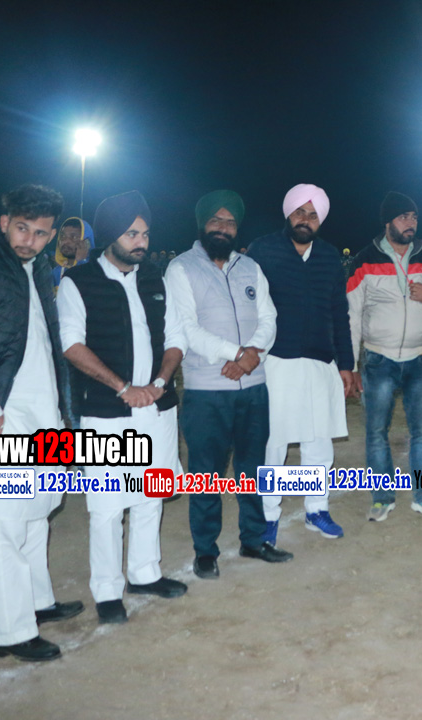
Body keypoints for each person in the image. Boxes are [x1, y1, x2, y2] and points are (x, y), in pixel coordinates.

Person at [0, 185, 83, 662]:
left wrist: (61, 417)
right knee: (5, 524)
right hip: (0, 417)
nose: (28, 240)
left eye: (39, 233)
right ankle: (11, 632)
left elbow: (44, 350)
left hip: (42, 416)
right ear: (4, 223)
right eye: (21, 228)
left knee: (37, 512)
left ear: (51, 235)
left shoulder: (38, 271)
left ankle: (37, 602)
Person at [59, 191, 188, 624]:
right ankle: (107, 590)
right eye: (132, 233)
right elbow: (72, 344)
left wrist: (158, 384)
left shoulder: (155, 279)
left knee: (153, 495)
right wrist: (123, 388)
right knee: (108, 506)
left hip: (158, 407)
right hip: (106, 413)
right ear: (110, 234)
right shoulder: (79, 282)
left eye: (145, 234)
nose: (141, 242)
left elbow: (175, 338)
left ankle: (144, 573)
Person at [166, 190, 293, 579]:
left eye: (230, 222)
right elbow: (186, 328)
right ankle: (206, 550)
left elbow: (269, 318)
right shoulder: (181, 268)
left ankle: (253, 540)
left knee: (252, 468)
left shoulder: (250, 267)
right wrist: (237, 353)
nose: (223, 228)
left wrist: (252, 355)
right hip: (207, 390)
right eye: (216, 221)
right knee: (206, 472)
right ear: (202, 225)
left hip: (253, 387)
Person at [248, 184, 354, 542]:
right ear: (288, 214)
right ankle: (268, 516)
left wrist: (346, 364)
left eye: (313, 215)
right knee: (273, 443)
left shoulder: (328, 256)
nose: (305, 220)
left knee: (318, 441)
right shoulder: (263, 250)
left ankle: (316, 510)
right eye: (299, 213)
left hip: (320, 361)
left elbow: (339, 312)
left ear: (320, 220)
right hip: (275, 361)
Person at [348, 191, 422, 521]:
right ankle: (382, 498)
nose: (411, 223)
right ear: (387, 222)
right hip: (378, 360)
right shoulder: (364, 261)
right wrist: (351, 365)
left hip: (419, 360)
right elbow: (351, 316)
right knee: (376, 432)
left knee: (421, 432)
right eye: (403, 217)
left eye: (414, 217)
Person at [50, 216, 95, 293]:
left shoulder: (96, 272)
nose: (66, 241)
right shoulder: (55, 273)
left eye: (74, 237)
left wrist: (81, 262)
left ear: (86, 242)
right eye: (62, 236)